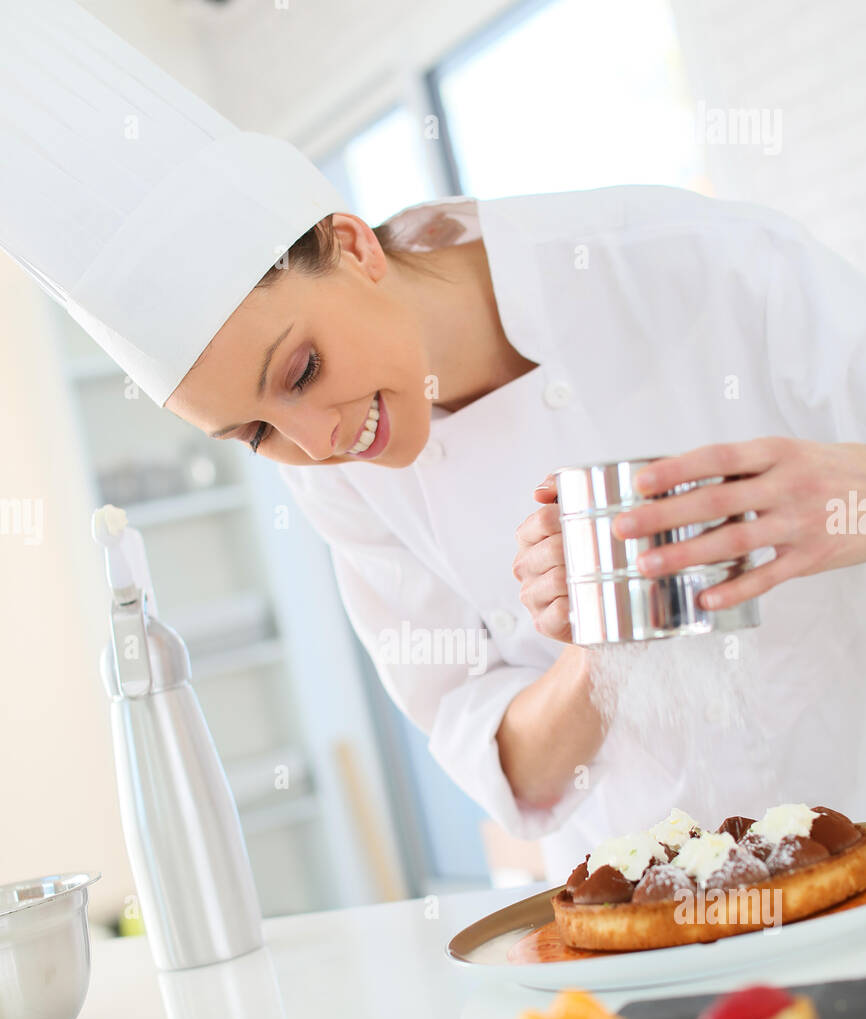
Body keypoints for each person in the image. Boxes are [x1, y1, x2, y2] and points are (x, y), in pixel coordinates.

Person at [3, 2, 865, 883]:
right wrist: (600, 640)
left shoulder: (693, 263)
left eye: (299, 370)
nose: (320, 441)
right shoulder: (334, 481)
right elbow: (515, 774)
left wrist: (843, 502)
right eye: (257, 431)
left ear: (351, 246)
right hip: (648, 923)